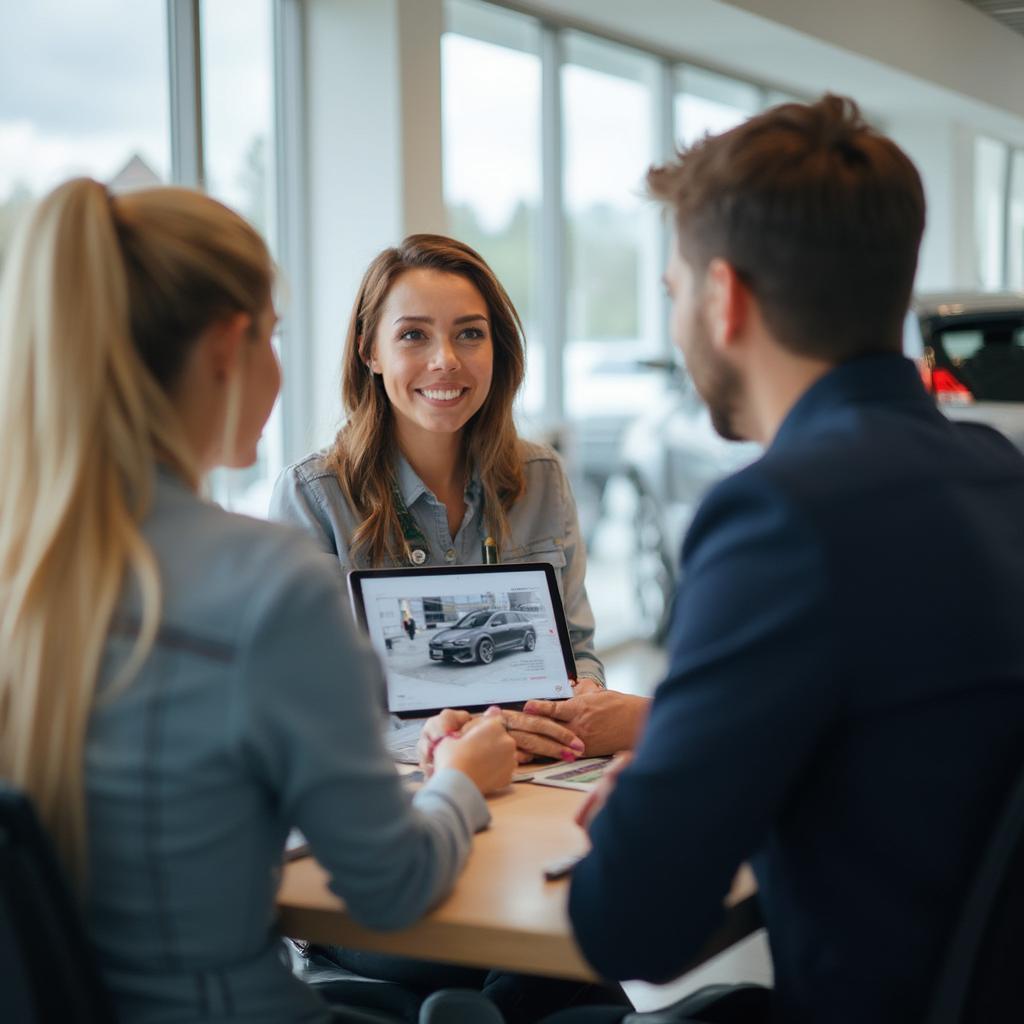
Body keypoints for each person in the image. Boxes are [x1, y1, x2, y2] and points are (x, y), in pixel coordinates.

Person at [543, 95, 1024, 1024]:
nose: (677, 322)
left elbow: (632, 927)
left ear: (725, 300)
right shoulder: (998, 476)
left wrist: (653, 792)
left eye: (675, 292)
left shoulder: (781, 518)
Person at [0, 178, 516, 1024]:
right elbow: (391, 889)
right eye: (273, 337)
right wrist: (460, 781)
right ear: (226, 349)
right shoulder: (265, 586)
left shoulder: (28, 570)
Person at [270, 233, 606, 762]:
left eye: (469, 333)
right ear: (370, 352)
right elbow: (309, 702)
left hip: (538, 774)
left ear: (499, 348)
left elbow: (578, 652)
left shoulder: (542, 477)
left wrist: (578, 703)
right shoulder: (313, 498)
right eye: (413, 336)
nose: (446, 360)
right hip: (400, 791)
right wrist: (431, 744)